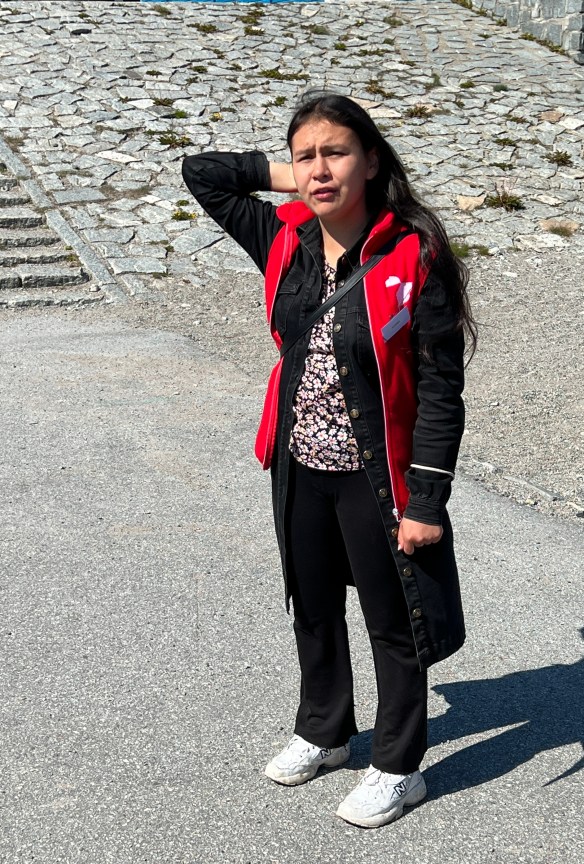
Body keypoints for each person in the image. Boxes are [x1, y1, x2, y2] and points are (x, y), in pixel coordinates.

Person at [182, 91, 476, 829]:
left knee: (393, 623)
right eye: (305, 156)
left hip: (377, 474)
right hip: (299, 463)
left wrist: (426, 502)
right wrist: (297, 175)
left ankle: (399, 766)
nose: (318, 169)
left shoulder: (414, 255)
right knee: (312, 606)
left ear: (372, 161)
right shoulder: (284, 237)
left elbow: (440, 388)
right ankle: (325, 730)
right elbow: (203, 173)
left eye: (335, 153)